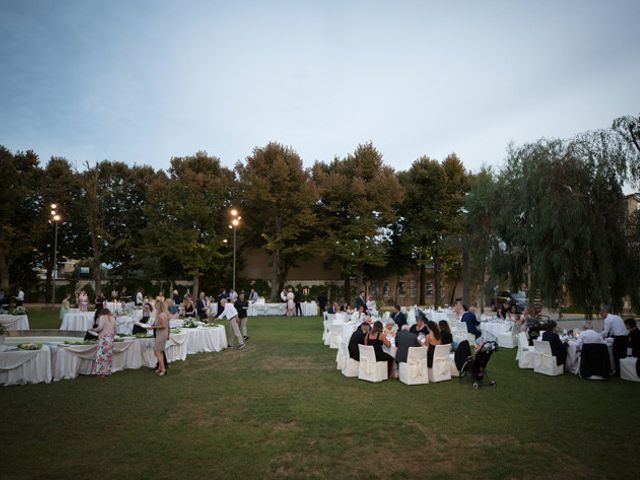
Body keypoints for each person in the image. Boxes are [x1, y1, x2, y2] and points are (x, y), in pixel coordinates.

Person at [600, 305, 628, 375]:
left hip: (619, 338)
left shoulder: (607, 319)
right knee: (623, 354)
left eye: (601, 314)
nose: (601, 316)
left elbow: (605, 332)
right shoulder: (616, 316)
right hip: (625, 337)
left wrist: (596, 335)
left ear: (604, 312)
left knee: (616, 354)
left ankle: (617, 372)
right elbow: (613, 329)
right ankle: (623, 371)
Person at [92, 308, 116, 376]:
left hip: (103, 339)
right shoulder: (113, 318)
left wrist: (94, 329)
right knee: (108, 356)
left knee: (101, 356)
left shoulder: (102, 317)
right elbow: (115, 329)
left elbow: (100, 328)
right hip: (110, 339)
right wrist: (112, 336)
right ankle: (107, 371)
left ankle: (100, 372)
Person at [148, 300, 169, 376]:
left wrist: (153, 327)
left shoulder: (161, 315)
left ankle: (163, 369)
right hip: (162, 334)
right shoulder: (164, 314)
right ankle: (160, 367)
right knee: (160, 352)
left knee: (157, 352)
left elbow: (163, 326)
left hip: (161, 334)